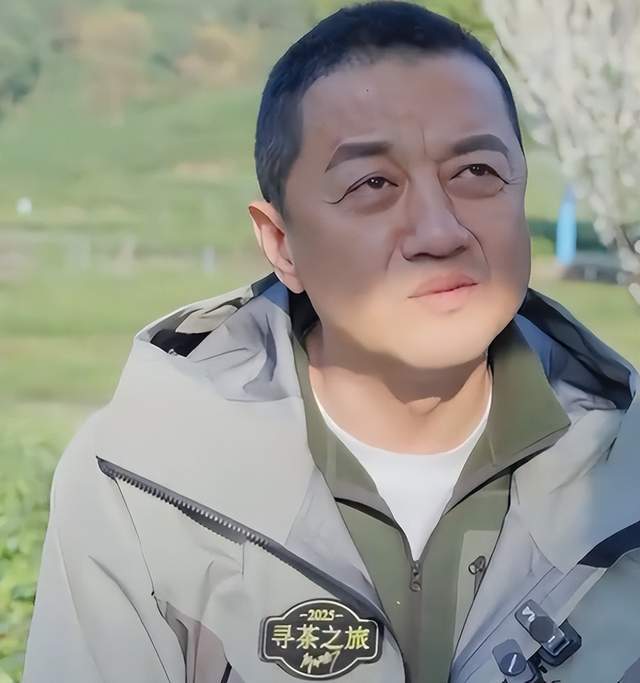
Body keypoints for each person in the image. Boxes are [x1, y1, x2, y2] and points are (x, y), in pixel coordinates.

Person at [23, 2, 640, 682]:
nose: (440, 232)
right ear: (281, 244)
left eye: (477, 173)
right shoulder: (141, 485)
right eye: (372, 184)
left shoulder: (624, 472)